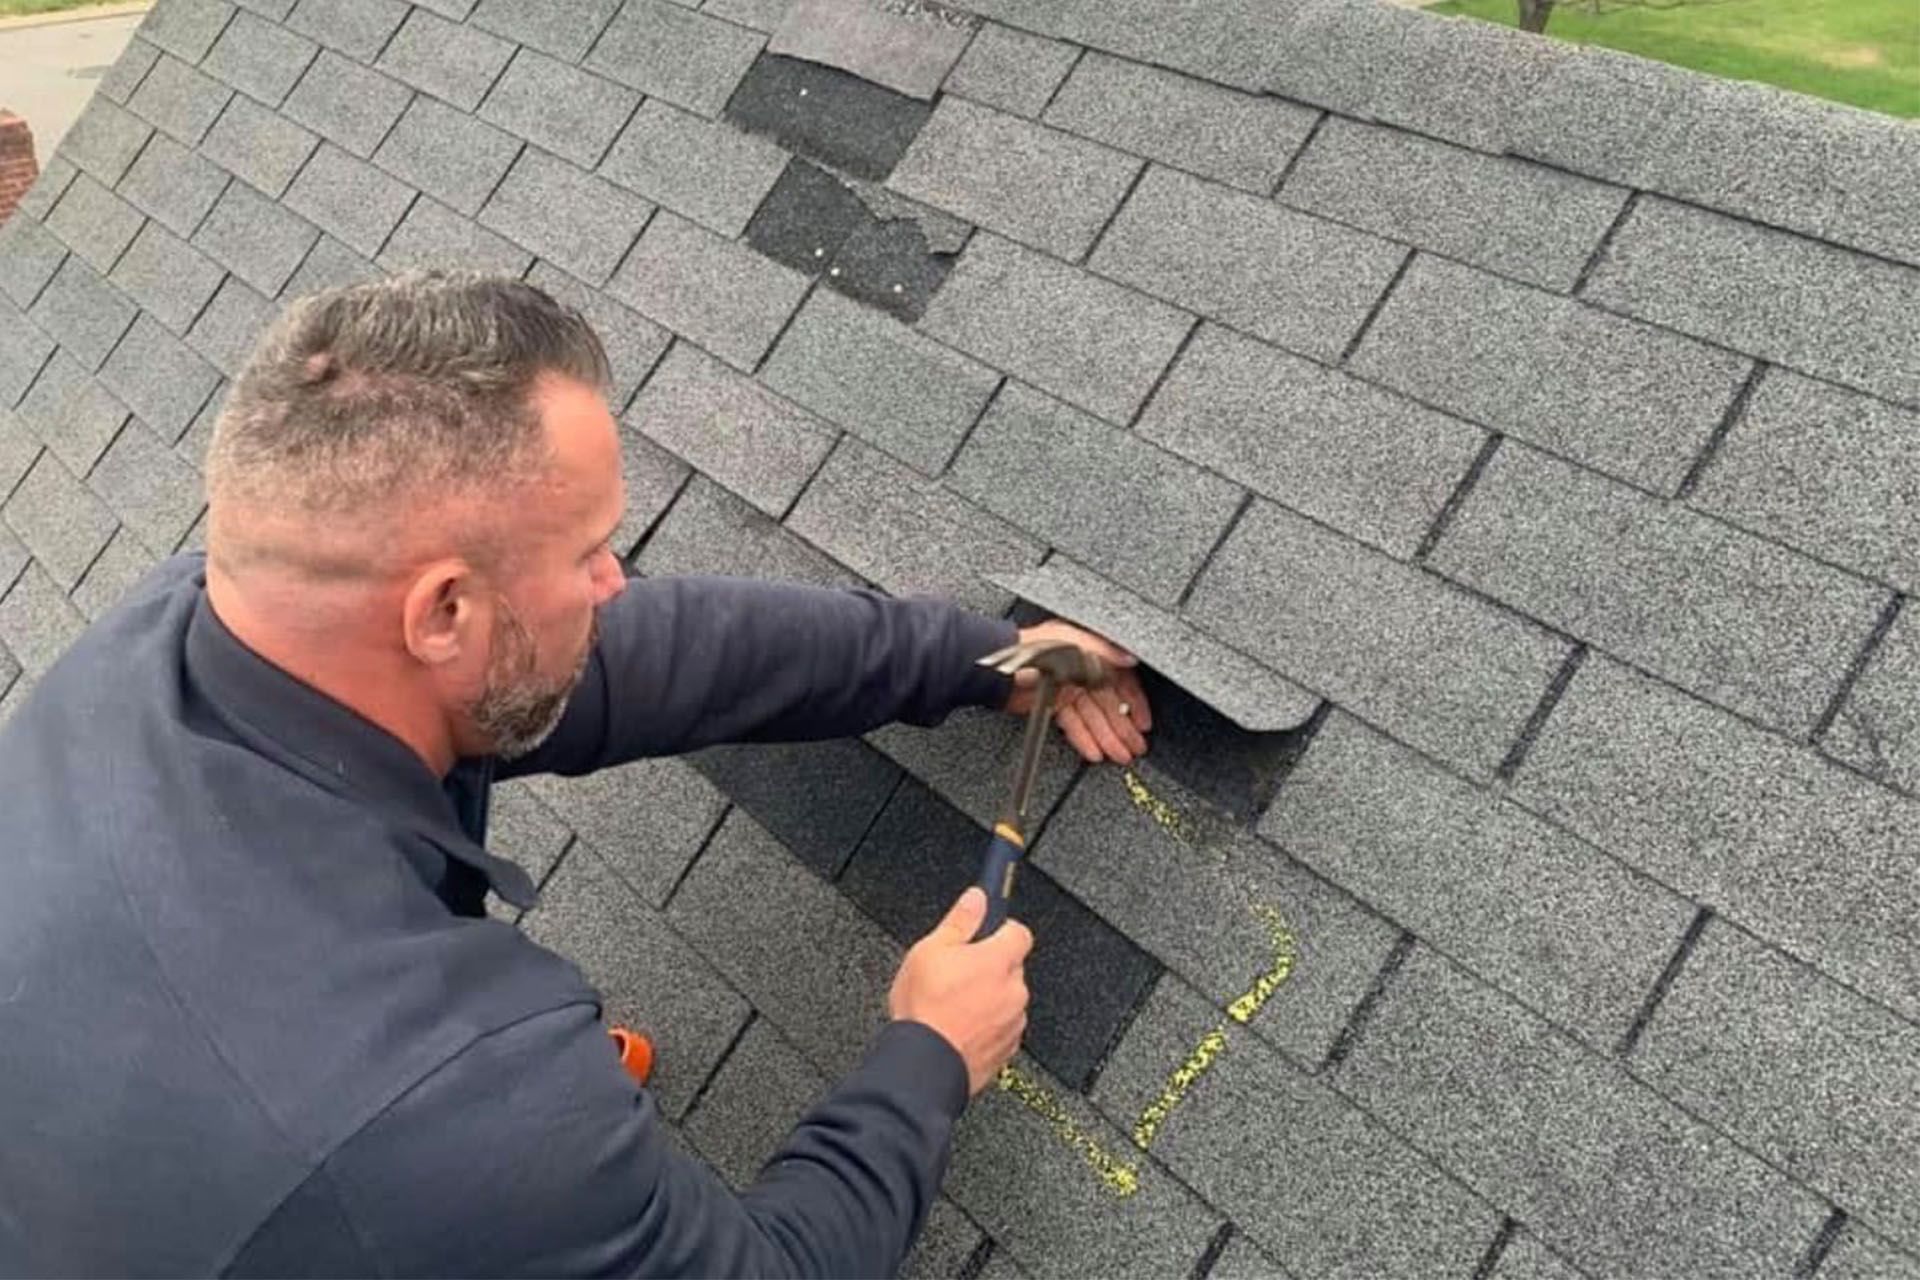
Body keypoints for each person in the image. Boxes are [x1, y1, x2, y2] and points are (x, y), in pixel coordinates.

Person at [0, 272, 1150, 1278]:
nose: (616, 580)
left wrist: (980, 659)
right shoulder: (436, 1093)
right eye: (588, 551)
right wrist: (930, 1053)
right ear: (445, 610)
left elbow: (662, 657)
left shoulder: (209, 626)